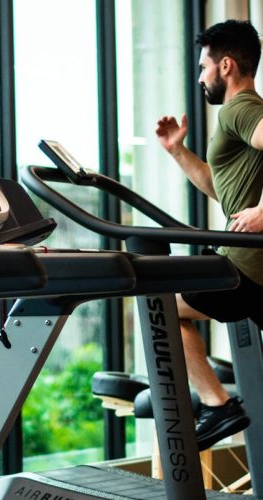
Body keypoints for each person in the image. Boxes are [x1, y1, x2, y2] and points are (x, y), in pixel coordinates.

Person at [156, 19, 263, 451]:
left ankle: (217, 406)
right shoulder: (237, 117)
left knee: (162, 306)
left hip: (247, 265)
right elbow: (221, 189)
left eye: (203, 67)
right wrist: (177, 149)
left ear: (226, 65)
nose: (200, 77)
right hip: (251, 263)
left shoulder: (240, 109)